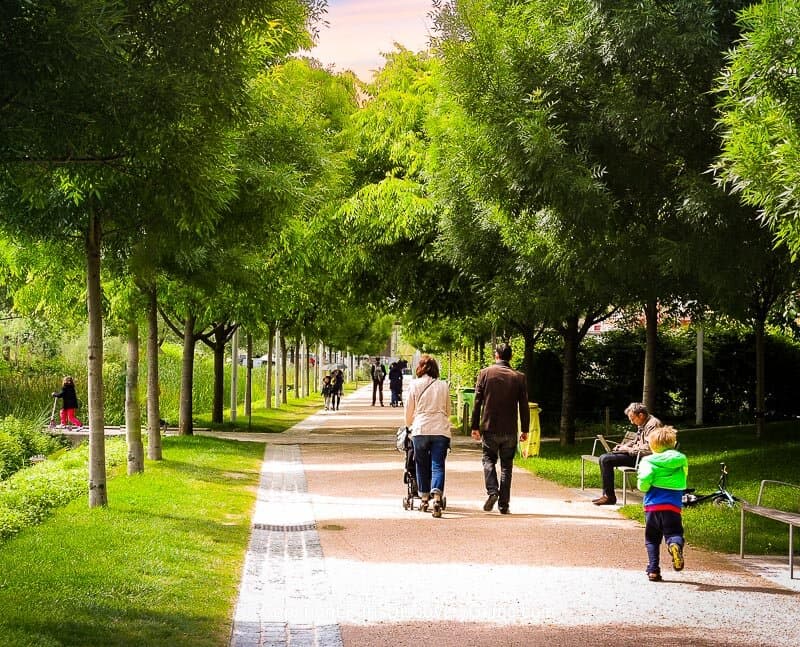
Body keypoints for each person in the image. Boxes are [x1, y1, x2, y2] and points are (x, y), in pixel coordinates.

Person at [470, 343, 529, 515]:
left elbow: (477, 402)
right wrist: (525, 429)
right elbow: (524, 406)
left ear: (496, 355)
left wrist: (475, 426)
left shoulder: (485, 373)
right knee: (506, 466)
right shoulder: (519, 377)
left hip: (489, 427)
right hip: (510, 429)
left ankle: (492, 491)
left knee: (488, 460)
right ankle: (504, 504)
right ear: (510, 357)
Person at [636, 424, 687, 582]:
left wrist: (642, 486)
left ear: (652, 445)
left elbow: (644, 480)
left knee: (652, 539)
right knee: (674, 534)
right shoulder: (681, 460)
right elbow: (683, 477)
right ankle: (674, 545)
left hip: (652, 506)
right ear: (672, 443)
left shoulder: (648, 461)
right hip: (673, 506)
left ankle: (653, 570)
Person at [405, 354, 451, 518]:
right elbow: (448, 410)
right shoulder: (443, 385)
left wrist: (409, 424)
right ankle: (437, 497)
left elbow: (409, 410)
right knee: (438, 464)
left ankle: (424, 498)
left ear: (421, 368)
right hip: (440, 429)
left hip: (421, 429)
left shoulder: (414, 385)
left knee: (421, 464)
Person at [593, 402, 661, 506]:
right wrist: (622, 447)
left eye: (632, 418)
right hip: (638, 455)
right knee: (604, 458)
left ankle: (609, 497)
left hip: (645, 459)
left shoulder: (653, 425)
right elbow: (636, 440)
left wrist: (627, 449)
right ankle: (607, 495)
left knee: (606, 459)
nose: (631, 422)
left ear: (641, 415)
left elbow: (649, 448)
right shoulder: (643, 423)